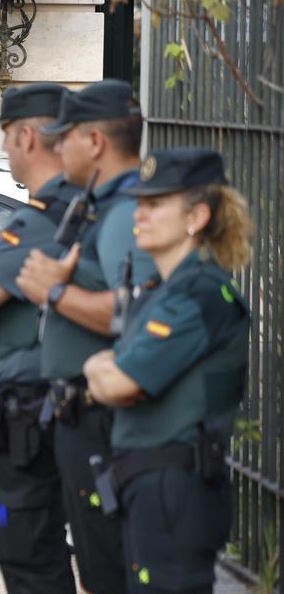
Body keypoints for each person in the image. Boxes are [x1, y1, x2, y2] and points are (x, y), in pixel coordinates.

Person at [83, 148, 251, 594]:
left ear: (196, 216)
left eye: (155, 204)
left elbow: (120, 382)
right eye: (139, 202)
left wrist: (97, 365)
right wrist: (106, 370)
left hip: (176, 490)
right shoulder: (165, 291)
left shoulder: (199, 293)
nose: (139, 213)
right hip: (150, 485)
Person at [15, 78, 157, 594]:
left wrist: (55, 294)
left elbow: (140, 314)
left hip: (104, 420)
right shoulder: (102, 207)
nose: (58, 146)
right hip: (85, 418)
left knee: (109, 570)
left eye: (66, 136)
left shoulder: (123, 216)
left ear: (94, 142)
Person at [0, 83, 78, 594]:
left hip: (33, 414)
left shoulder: (47, 221)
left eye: (6, 137)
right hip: (41, 412)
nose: (2, 150)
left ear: (29, 137)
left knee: (32, 562)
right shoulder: (71, 211)